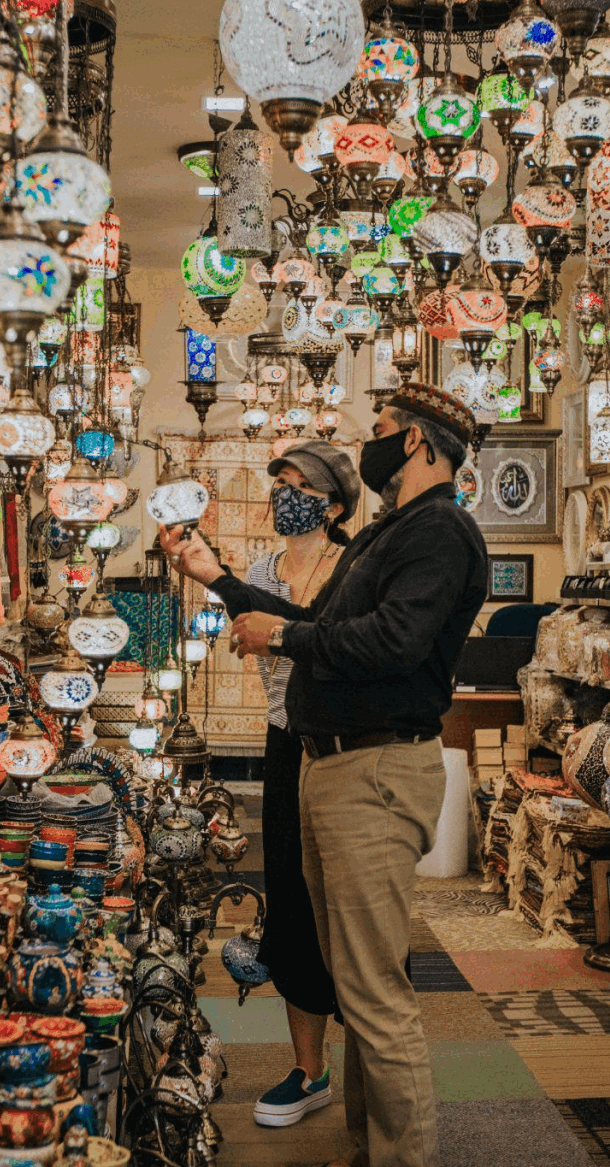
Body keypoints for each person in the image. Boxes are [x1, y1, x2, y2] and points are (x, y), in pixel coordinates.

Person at [159, 385, 489, 1167]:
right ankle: (367, 1146)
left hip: (373, 767)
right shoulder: (392, 529)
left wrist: (284, 636)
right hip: (332, 764)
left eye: (378, 432)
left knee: (375, 994)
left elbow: (389, 642)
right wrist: (223, 583)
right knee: (353, 973)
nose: (369, 445)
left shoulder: (439, 529)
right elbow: (314, 627)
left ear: (412, 441)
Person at [241, 440, 359, 1129]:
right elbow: (270, 674)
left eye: (299, 484)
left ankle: (370, 1066)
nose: (284, 492)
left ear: (333, 503)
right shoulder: (261, 567)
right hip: (286, 742)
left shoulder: (354, 567)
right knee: (288, 896)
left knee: (349, 902)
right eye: (278, 481)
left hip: (345, 751)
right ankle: (308, 1068)